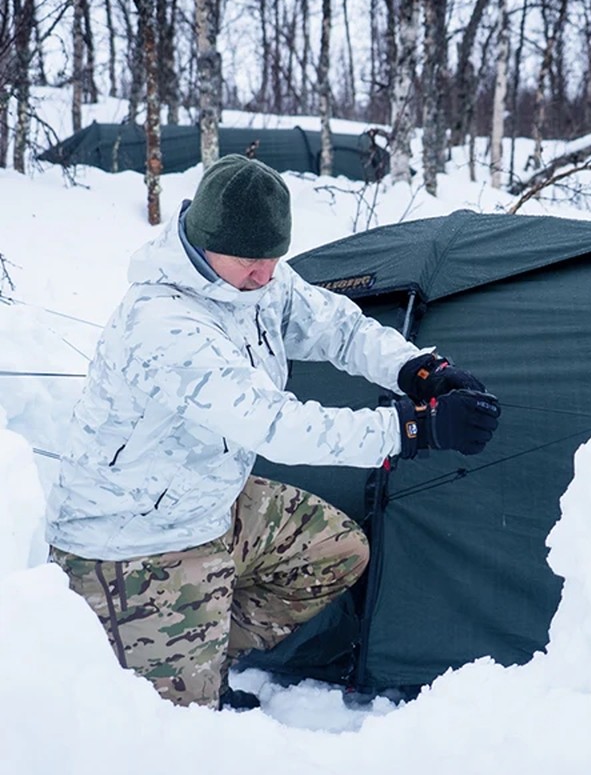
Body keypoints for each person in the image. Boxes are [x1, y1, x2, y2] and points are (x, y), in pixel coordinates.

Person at [46, 155, 500, 710]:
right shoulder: (163, 325)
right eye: (250, 261)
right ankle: (175, 668)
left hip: (208, 503)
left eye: (273, 258)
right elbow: (277, 426)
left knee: (336, 551)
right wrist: (412, 429)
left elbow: (335, 326)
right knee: (170, 734)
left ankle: (207, 653)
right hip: (132, 544)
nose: (265, 275)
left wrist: (419, 369)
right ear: (203, 241)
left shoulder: (254, 279)